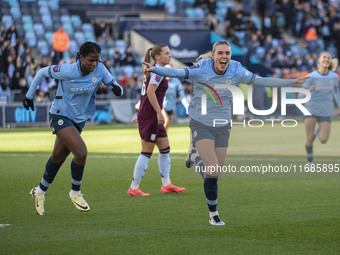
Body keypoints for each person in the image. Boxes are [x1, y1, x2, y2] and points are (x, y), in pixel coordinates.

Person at [143, 40, 308, 225]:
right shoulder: (201, 68)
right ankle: (213, 215)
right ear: (213, 55)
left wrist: (291, 82)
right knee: (212, 169)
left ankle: (195, 156)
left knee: (213, 174)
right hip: (201, 123)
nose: (224, 56)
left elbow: (260, 80)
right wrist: (155, 69)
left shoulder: (237, 69)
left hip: (223, 125)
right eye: (220, 53)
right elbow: (178, 73)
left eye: (227, 53)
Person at [22, 41, 124, 215]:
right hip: (60, 115)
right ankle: (75, 192)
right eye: (91, 60)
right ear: (81, 58)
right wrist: (29, 95)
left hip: (79, 119)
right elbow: (41, 72)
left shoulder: (100, 69)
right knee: (81, 152)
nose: (94, 64)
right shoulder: (68, 70)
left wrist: (116, 88)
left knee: (57, 158)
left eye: (97, 60)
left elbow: (117, 87)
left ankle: (39, 192)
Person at [128, 44, 185, 196]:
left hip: (149, 114)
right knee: (146, 152)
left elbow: (145, 94)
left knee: (165, 148)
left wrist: (142, 112)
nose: (170, 55)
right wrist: (158, 113)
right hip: (152, 115)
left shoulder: (154, 70)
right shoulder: (157, 72)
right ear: (158, 57)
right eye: (167, 53)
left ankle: (166, 184)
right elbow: (150, 92)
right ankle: (134, 187)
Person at [300, 51, 340, 167]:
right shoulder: (311, 76)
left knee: (323, 139)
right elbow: (300, 95)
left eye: (328, 57)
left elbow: (337, 93)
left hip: (326, 111)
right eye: (324, 57)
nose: (326, 59)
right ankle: (310, 163)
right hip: (311, 110)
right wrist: (309, 90)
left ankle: (318, 131)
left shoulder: (333, 76)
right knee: (309, 139)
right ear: (319, 60)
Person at [162, 64, 189, 131]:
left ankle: (161, 140)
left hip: (170, 107)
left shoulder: (176, 81)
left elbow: (182, 95)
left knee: (166, 127)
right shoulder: (160, 80)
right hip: (160, 106)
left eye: (170, 70)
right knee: (166, 121)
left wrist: (187, 106)